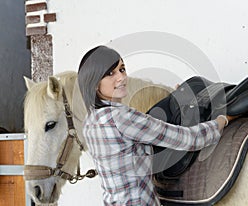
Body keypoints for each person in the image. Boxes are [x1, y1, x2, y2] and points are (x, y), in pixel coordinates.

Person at [77, 45, 236, 206]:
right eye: (110, 73)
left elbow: (141, 131)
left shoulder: (90, 122)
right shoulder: (122, 118)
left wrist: (174, 98)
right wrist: (222, 120)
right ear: (95, 83)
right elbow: (188, 139)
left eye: (122, 69)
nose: (121, 77)